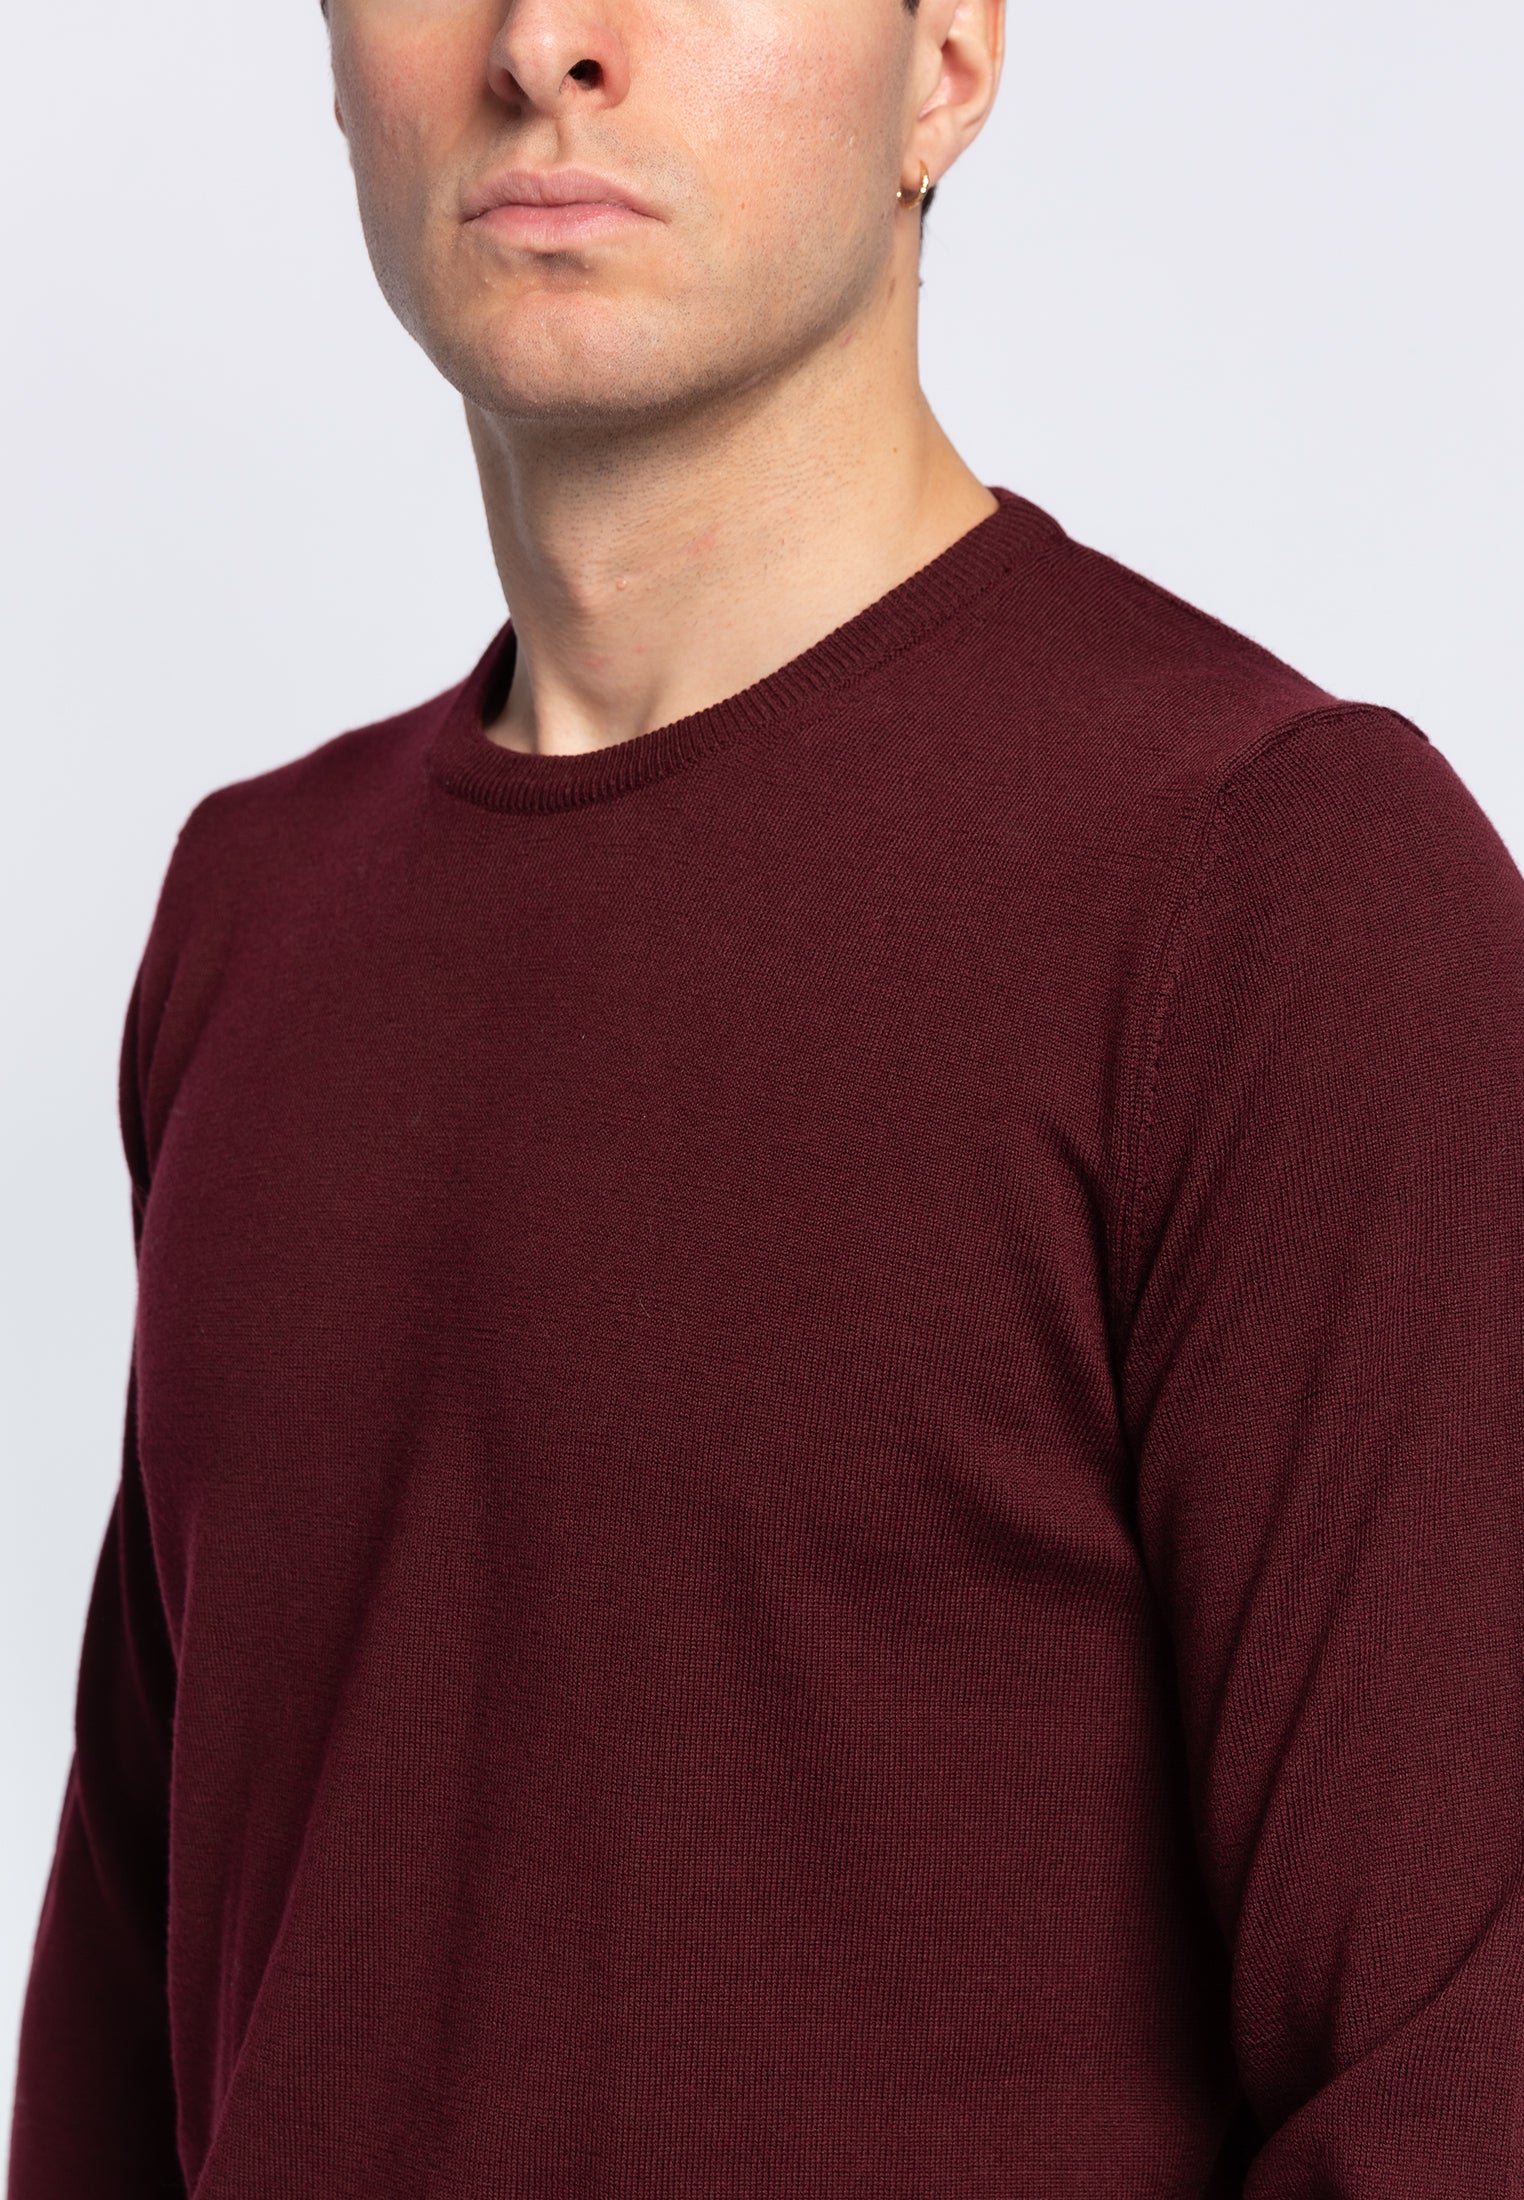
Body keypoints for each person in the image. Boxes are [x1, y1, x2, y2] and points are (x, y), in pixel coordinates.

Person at [9, 0, 1523, 2191]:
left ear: (947, 63)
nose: (546, 44)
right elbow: (123, 2019)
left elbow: (1462, 2088)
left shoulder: (1278, 886)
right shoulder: (255, 910)